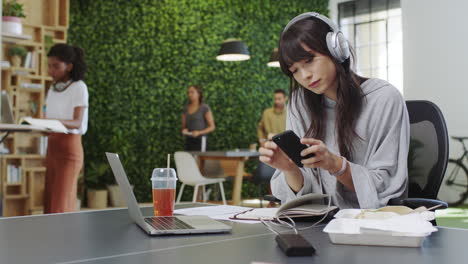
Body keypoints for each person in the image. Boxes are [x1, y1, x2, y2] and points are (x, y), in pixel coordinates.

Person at [259, 12, 409, 209]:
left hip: (374, 225)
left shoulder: (384, 99)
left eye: (309, 60)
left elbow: (386, 185)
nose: (304, 75)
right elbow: (304, 194)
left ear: (336, 49)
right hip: (319, 224)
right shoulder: (299, 103)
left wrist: (336, 165)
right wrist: (290, 169)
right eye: (294, 70)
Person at [44, 43, 89, 213]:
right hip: (52, 147)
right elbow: (51, 122)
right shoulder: (52, 89)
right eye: (49, 65)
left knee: (60, 205)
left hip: (69, 150)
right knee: (49, 202)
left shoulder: (79, 88)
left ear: (69, 66)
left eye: (56, 66)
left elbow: (77, 122)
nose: (50, 70)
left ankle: (63, 239)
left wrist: (52, 121)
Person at [181, 85, 215, 151]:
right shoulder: (185, 108)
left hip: (201, 140)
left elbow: (212, 127)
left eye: (192, 92)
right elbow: (184, 126)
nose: (189, 94)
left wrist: (199, 133)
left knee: (199, 161)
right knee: (190, 161)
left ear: (198, 94)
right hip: (189, 141)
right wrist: (184, 130)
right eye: (188, 92)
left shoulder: (204, 108)